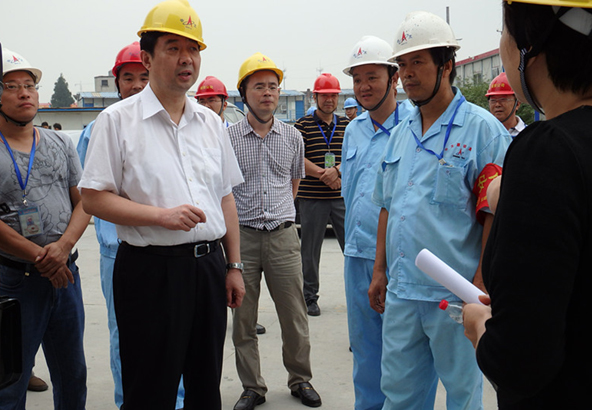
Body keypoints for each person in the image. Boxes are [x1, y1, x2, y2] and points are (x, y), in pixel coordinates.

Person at [78, 1, 245, 409]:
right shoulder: (117, 121)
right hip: (149, 271)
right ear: (148, 59)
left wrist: (234, 266)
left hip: (208, 268)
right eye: (173, 48)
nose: (186, 58)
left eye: (193, 49)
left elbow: (225, 196)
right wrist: (161, 217)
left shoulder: (212, 124)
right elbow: (93, 197)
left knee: (205, 387)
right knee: (149, 390)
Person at [369, 12, 512, 410]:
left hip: (456, 297)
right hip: (402, 292)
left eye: (417, 62)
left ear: (446, 65)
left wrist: (481, 282)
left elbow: (495, 215)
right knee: (399, 395)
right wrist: (380, 270)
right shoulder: (400, 132)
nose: (407, 74)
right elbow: (387, 204)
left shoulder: (482, 130)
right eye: (402, 64)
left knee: (462, 396)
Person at [463, 1, 592, 408]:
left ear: (529, 47)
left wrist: (481, 327)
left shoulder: (547, 152)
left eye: (504, 31)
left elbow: (520, 360)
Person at [77, 40, 187, 409]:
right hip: (120, 250)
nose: (137, 85)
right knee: (127, 334)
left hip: (171, 249)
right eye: (128, 78)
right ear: (117, 83)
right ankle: (130, 400)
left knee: (175, 334)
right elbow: (88, 196)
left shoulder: (172, 122)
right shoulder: (102, 128)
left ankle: (176, 400)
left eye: (143, 77)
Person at [228, 52, 321, 410]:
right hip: (243, 238)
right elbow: (224, 191)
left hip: (283, 236)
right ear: (244, 94)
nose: (267, 93)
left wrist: (279, 215)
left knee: (294, 315)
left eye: (273, 86)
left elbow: (293, 183)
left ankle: (300, 379)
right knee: (243, 320)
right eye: (259, 86)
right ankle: (252, 386)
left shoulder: (293, 137)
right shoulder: (229, 139)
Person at [0, 47, 88, 410]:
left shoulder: (60, 143)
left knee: (72, 374)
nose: (25, 93)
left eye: (30, 86)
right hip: (15, 281)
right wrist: (40, 256)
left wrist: (62, 248)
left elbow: (84, 202)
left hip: (66, 275)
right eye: (12, 86)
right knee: (10, 382)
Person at [340, 35, 413, 410]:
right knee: (365, 353)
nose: (363, 86)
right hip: (356, 255)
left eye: (372, 77)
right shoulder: (353, 130)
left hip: (399, 260)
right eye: (357, 79)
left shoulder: (414, 127)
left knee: (403, 359)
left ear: (393, 78)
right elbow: (350, 192)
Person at [195, 74, 266, 335]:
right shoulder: (194, 134)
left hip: (239, 213)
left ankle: (247, 318)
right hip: (211, 214)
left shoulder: (234, 134)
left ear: (224, 103)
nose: (207, 105)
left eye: (212, 100)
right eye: (202, 101)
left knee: (240, 271)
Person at [295, 72, 347, 317]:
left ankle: (359, 294)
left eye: (333, 95)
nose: (329, 100)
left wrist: (336, 171)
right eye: (324, 95)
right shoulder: (302, 125)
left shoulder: (347, 125)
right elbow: (296, 156)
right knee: (310, 250)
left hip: (341, 197)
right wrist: (323, 174)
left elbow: (354, 155)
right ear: (314, 97)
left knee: (352, 248)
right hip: (312, 197)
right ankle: (309, 297)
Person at [486, 72, 526, 137]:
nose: (497, 104)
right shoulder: (483, 135)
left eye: (503, 99)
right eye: (493, 100)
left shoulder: (529, 135)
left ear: (517, 104)